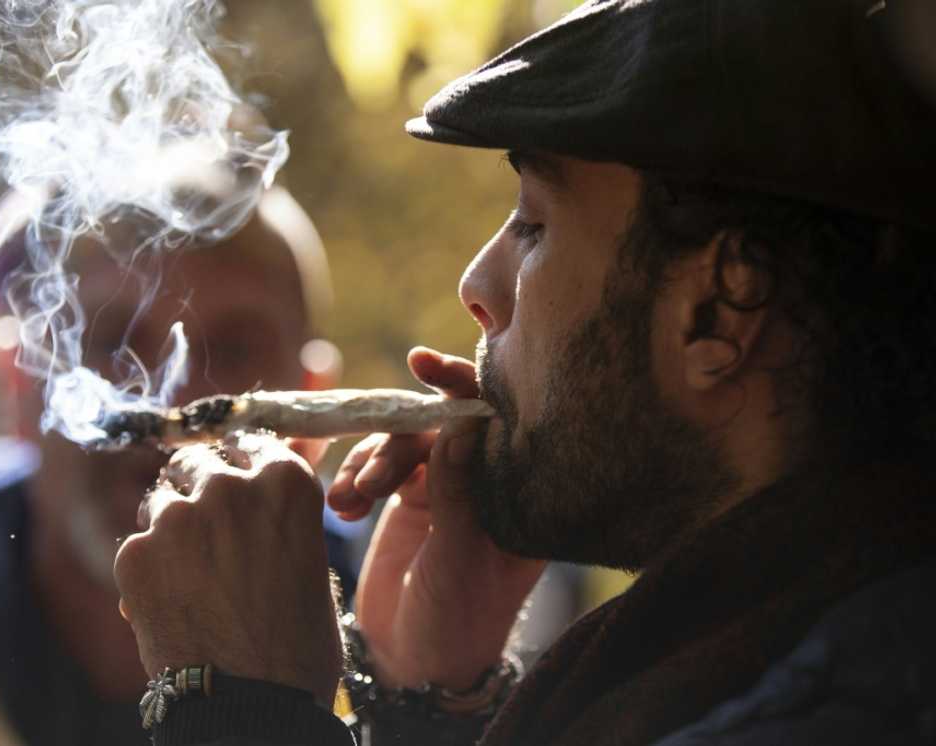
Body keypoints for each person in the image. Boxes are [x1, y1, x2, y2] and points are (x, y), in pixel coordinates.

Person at [110, 1, 936, 744]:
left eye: (534, 226)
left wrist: (238, 711)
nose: (477, 287)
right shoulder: (800, 637)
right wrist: (428, 705)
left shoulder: (837, 704)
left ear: (719, 311)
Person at [0, 184, 352, 745]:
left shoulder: (402, 637)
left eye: (235, 349)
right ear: (17, 383)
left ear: (314, 409)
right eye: (111, 341)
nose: (176, 403)